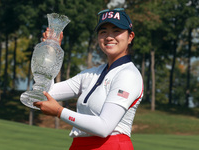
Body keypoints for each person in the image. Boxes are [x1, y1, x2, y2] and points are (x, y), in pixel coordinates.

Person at [34, 8, 143, 150]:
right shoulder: (91, 74)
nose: (109, 37)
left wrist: (59, 112)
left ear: (130, 37)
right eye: (103, 31)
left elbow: (104, 127)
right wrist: (50, 53)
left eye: (116, 30)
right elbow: (44, 93)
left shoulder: (128, 74)